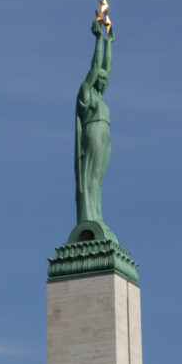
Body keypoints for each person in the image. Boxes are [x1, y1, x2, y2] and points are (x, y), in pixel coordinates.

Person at [75, 19, 114, 225]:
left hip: (104, 133)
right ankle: (88, 217)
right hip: (94, 132)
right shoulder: (85, 94)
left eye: (105, 79)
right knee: (90, 175)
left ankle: (96, 216)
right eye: (100, 78)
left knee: (98, 178)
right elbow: (96, 67)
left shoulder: (99, 97)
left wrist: (110, 43)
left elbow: (106, 68)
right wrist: (99, 40)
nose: (104, 79)